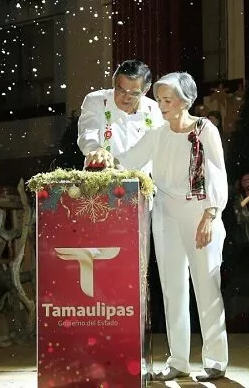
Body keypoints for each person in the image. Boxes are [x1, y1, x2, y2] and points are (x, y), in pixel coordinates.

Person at [87, 72, 229, 382]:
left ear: (185, 101)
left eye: (167, 100)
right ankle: (178, 360)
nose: (161, 105)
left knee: (206, 285)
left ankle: (216, 360)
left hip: (200, 211)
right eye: (160, 99)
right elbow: (126, 161)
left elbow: (217, 173)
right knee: (172, 287)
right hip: (165, 212)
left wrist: (210, 214)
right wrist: (102, 157)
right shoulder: (158, 134)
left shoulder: (205, 130)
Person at [77, 60, 164, 167]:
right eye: (121, 91)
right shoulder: (96, 101)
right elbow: (88, 132)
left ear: (145, 91)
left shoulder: (155, 109)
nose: (126, 98)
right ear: (113, 82)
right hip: (102, 173)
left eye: (134, 94)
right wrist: (96, 149)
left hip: (143, 176)